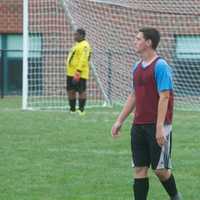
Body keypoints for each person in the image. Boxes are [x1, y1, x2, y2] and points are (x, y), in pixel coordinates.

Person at [111, 27, 182, 200]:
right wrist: (119, 120)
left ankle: (176, 196)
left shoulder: (161, 66)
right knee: (139, 169)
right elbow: (134, 95)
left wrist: (159, 127)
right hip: (138, 125)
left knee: (161, 170)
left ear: (148, 42)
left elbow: (164, 96)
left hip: (158, 125)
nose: (134, 41)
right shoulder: (136, 67)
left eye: (138, 39)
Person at [66, 28, 92, 115]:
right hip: (70, 72)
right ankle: (72, 109)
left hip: (79, 73)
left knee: (81, 91)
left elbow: (83, 59)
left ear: (82, 36)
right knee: (70, 90)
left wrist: (78, 71)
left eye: (76, 35)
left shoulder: (85, 45)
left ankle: (81, 110)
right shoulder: (77, 44)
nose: (74, 36)